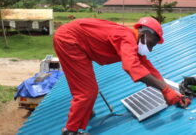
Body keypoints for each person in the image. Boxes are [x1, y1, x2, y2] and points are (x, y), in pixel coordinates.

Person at [53, 17, 191, 135]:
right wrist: (164, 90)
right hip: (70, 40)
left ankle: (84, 112)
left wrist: (172, 92)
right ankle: (70, 130)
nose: (150, 49)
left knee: (86, 89)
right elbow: (131, 66)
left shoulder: (134, 42)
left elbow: (149, 69)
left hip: (78, 42)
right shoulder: (126, 37)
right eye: (151, 44)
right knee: (87, 91)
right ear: (144, 34)